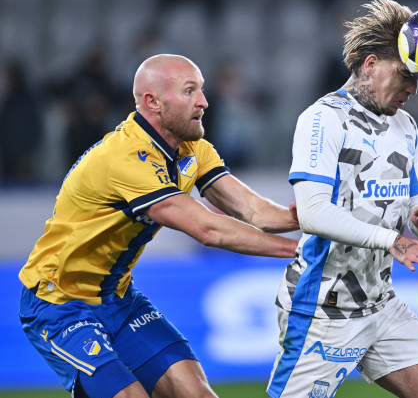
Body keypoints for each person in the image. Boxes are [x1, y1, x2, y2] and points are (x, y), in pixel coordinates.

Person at [18, 54, 299, 398]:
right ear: (153, 102)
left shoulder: (193, 148)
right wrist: (299, 250)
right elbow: (209, 230)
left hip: (118, 299)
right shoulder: (125, 157)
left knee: (198, 394)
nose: (204, 101)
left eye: (201, 90)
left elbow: (254, 211)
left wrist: (312, 219)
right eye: (190, 91)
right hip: (58, 302)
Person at [267, 0, 418, 398]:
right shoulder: (323, 118)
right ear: (370, 64)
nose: (413, 88)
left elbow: (417, 193)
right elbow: (313, 213)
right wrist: (395, 241)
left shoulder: (405, 125)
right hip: (323, 308)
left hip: (381, 303)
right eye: (405, 74)